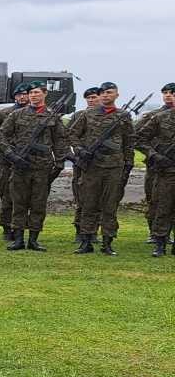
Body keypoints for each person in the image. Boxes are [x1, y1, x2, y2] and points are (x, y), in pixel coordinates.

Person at [0, 82, 67, 252]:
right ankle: (18, 239)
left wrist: (59, 162)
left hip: (42, 167)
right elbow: (2, 136)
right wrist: (11, 155)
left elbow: (60, 141)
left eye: (37, 92)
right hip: (20, 166)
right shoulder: (17, 115)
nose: (33, 95)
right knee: (18, 203)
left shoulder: (52, 117)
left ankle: (34, 240)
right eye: (31, 93)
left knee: (38, 204)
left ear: (44, 94)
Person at [68, 82, 133, 255]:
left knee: (110, 206)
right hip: (92, 166)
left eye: (109, 92)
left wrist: (128, 164)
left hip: (114, 167)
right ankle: (86, 241)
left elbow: (128, 142)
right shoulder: (88, 114)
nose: (105, 95)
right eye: (103, 92)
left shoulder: (123, 116)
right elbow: (72, 134)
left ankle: (107, 242)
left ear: (116, 95)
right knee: (89, 204)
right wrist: (80, 150)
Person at [0, 83, 31, 241]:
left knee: (25, 195)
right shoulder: (5, 113)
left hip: (27, 160)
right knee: (7, 193)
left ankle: (21, 227)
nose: (22, 97)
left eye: (25, 94)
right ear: (15, 97)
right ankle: (7, 227)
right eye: (19, 95)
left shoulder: (36, 113)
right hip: (7, 160)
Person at [135, 86, 175, 256]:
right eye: (167, 93)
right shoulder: (160, 117)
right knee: (162, 206)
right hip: (166, 170)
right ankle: (160, 242)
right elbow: (139, 138)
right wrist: (155, 155)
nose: (169, 96)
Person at [67, 87, 101, 238]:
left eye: (94, 97)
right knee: (81, 197)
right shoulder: (78, 115)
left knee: (99, 197)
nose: (91, 100)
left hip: (101, 163)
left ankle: (93, 231)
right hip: (82, 162)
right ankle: (79, 230)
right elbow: (67, 136)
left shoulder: (108, 116)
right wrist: (75, 155)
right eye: (88, 98)